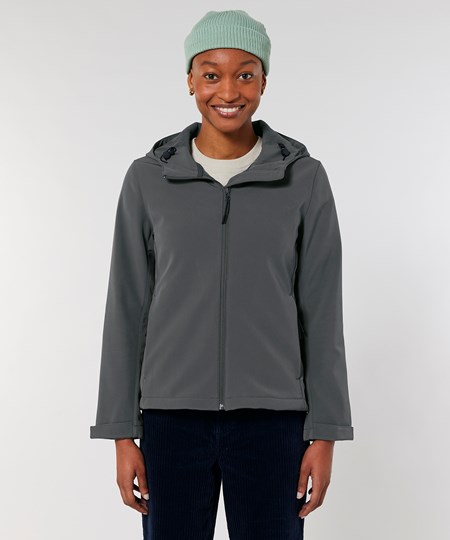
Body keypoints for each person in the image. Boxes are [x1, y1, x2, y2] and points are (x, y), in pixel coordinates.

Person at [90, 9, 354, 539]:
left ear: (264, 81)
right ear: (190, 79)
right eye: (211, 74)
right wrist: (122, 434)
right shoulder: (148, 178)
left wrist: (324, 433)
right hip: (169, 420)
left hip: (274, 421)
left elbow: (322, 312)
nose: (228, 91)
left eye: (245, 74)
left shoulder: (304, 178)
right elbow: (126, 308)